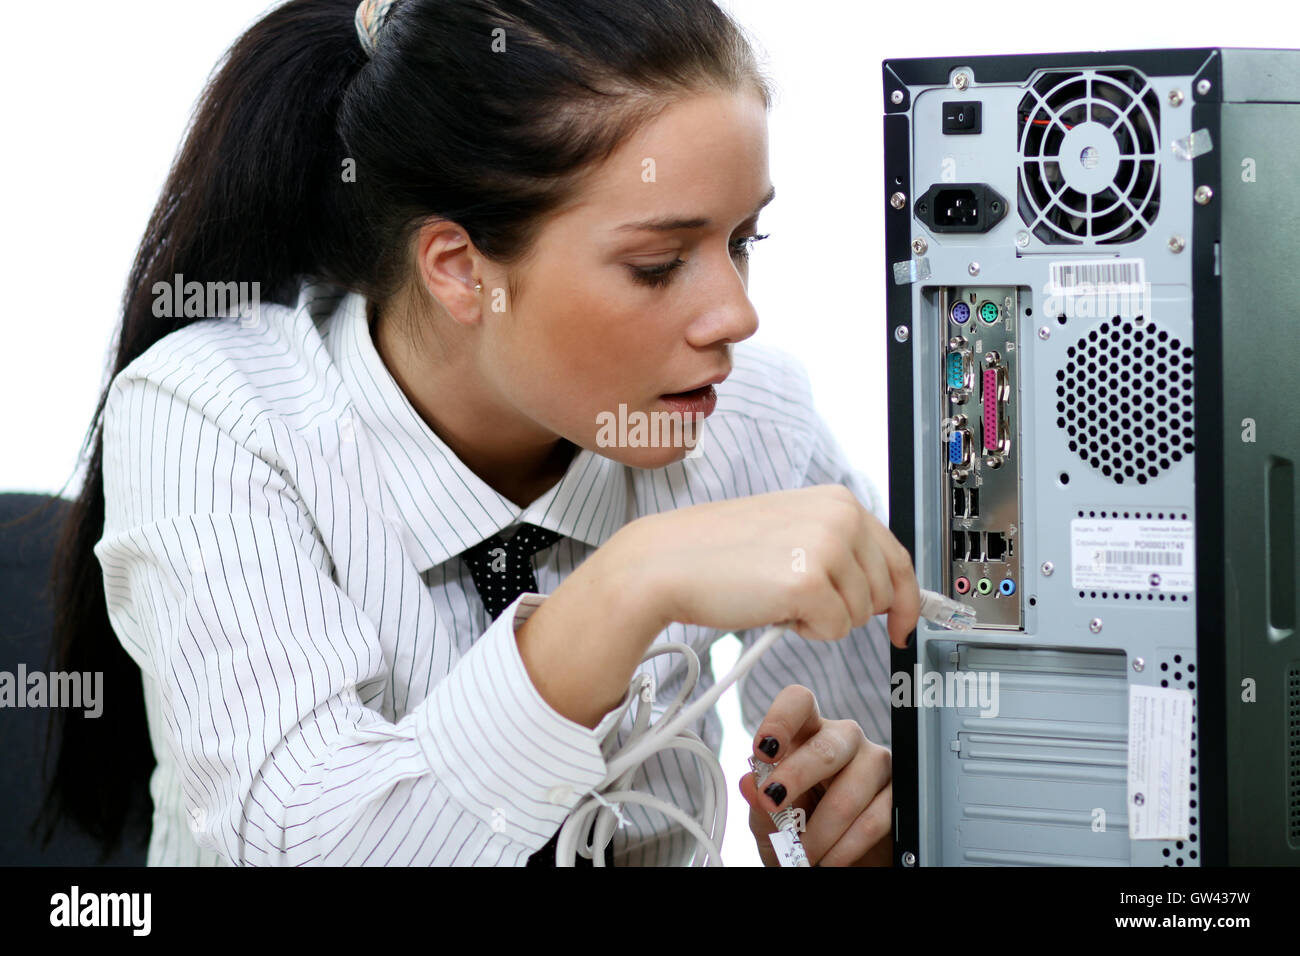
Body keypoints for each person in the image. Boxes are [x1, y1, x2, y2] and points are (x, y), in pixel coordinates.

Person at [41, 0, 920, 867]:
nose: (737, 315)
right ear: (461, 271)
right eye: (658, 266)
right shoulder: (214, 413)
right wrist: (625, 585)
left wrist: (858, 831)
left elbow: (919, 799)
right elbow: (300, 846)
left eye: (744, 240)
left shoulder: (756, 420)